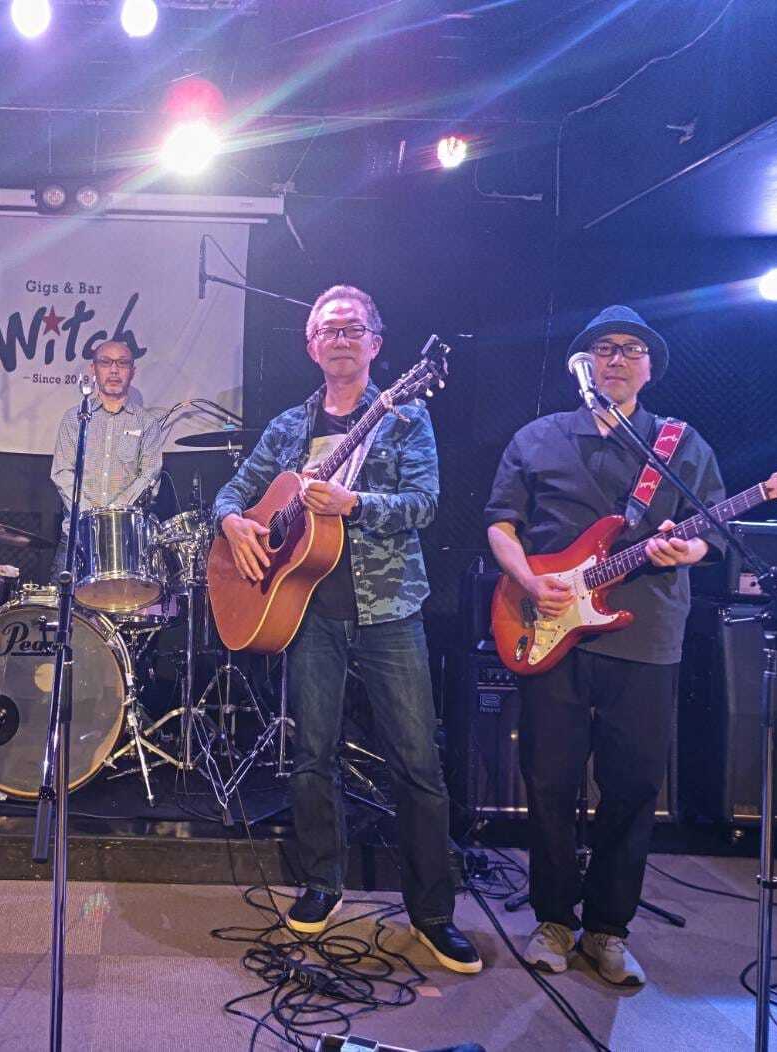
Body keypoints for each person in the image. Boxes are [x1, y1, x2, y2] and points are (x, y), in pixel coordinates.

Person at [212, 285, 481, 974]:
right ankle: (322, 881)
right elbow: (233, 491)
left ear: (376, 344)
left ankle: (433, 912)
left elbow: (423, 504)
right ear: (311, 347)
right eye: (327, 330)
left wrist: (353, 503)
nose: (339, 338)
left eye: (352, 328)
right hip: (306, 609)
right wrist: (234, 522)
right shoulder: (288, 427)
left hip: (390, 609)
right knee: (313, 756)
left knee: (417, 761)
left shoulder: (404, 414)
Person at [484, 305, 724, 987]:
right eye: (604, 348)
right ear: (583, 364)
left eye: (631, 349)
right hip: (550, 626)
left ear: (650, 368)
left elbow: (710, 530)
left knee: (635, 784)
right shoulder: (537, 438)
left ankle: (609, 929)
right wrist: (528, 579)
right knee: (549, 779)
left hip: (647, 634)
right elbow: (501, 523)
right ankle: (554, 920)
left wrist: (688, 549)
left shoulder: (680, 445)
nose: (617, 358)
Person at [48, 340, 163, 573]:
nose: (114, 370)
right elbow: (62, 472)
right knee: (63, 598)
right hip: (76, 539)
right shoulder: (74, 418)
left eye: (122, 363)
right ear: (93, 369)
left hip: (124, 542)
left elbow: (150, 476)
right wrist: (91, 517)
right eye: (105, 362)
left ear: (132, 371)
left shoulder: (147, 423)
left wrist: (110, 518)